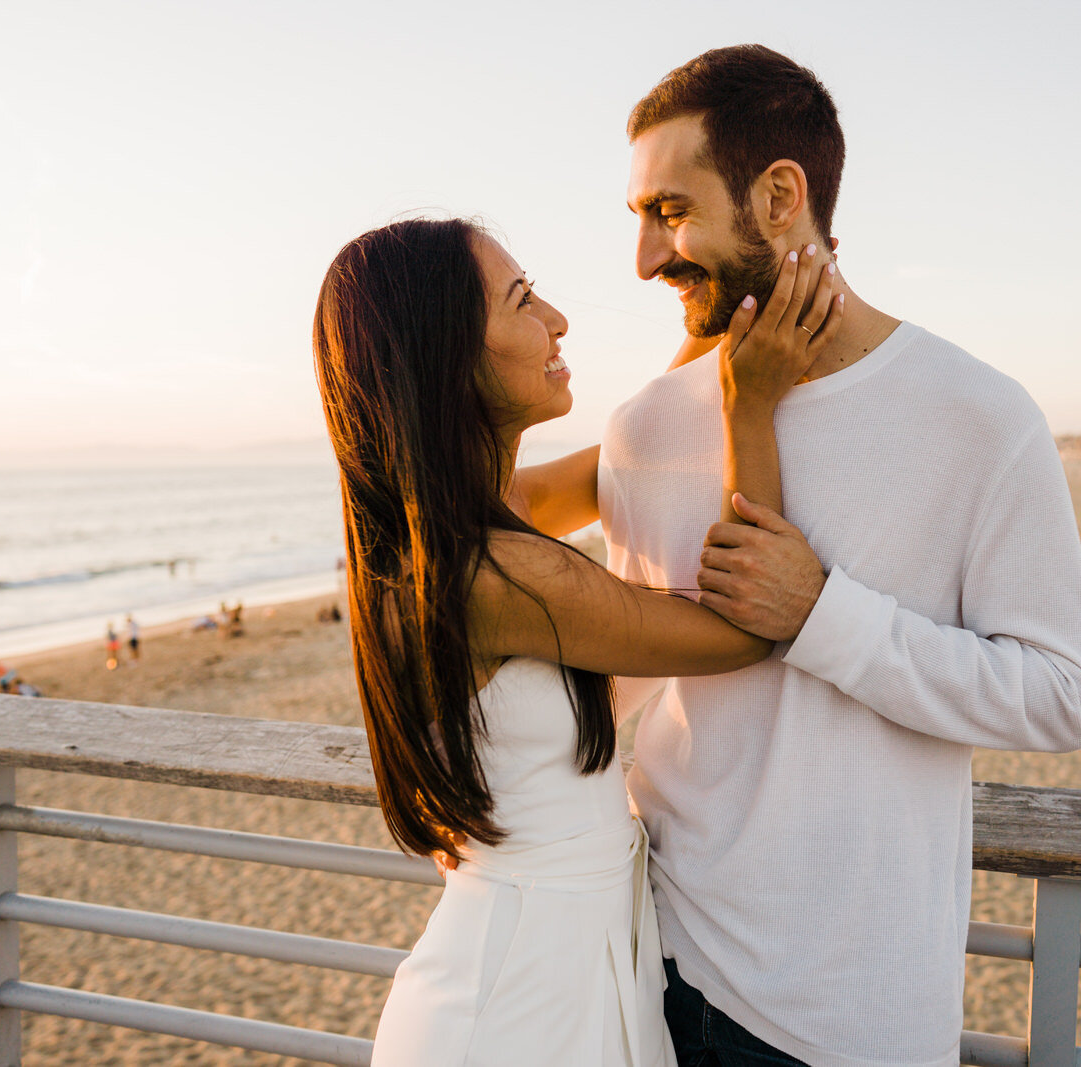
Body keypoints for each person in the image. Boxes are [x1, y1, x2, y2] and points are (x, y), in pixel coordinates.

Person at [600, 45, 1081, 1065]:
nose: (647, 260)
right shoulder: (646, 427)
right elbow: (618, 699)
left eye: (669, 211)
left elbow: (1064, 695)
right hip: (650, 971)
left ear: (780, 195)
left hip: (853, 1019)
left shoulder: (979, 417)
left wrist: (824, 615)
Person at [311, 217, 840, 1065]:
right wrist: (751, 404)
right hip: (522, 996)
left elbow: (637, 452)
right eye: (523, 300)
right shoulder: (501, 577)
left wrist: (705, 319)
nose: (557, 317)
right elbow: (747, 624)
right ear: (450, 355)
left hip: (568, 954)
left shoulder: (450, 531)